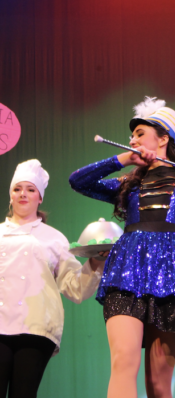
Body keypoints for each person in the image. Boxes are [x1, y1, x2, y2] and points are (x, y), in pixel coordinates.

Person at [69, 97, 175, 398]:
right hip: (126, 277)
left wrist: (174, 262)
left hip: (172, 283)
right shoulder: (127, 183)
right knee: (123, 363)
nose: (132, 140)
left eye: (140, 134)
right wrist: (122, 160)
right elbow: (78, 181)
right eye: (131, 135)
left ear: (163, 139)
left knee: (158, 385)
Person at [0, 159, 104, 398]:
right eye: (17, 189)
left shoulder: (54, 238)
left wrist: (95, 261)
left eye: (30, 189)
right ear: (10, 196)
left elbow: (75, 287)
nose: (23, 194)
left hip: (36, 327)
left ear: (40, 197)